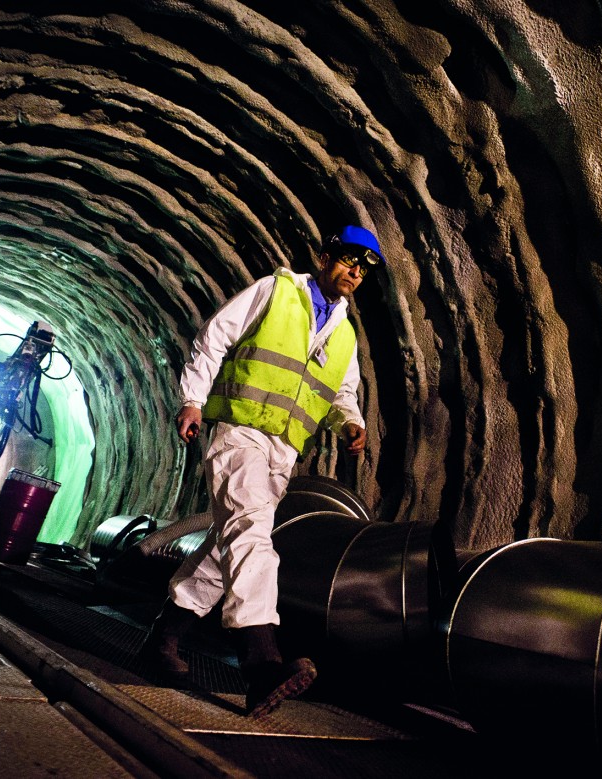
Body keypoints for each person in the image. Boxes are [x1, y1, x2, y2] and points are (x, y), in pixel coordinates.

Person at [139, 224, 384, 717]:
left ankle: (163, 639)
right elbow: (214, 337)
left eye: (364, 267)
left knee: (223, 548)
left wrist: (352, 423)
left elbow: (343, 394)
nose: (355, 271)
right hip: (239, 431)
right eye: (348, 259)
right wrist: (192, 400)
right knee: (251, 536)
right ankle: (260, 662)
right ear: (325, 256)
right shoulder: (277, 292)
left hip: (283, 451)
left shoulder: (345, 334)